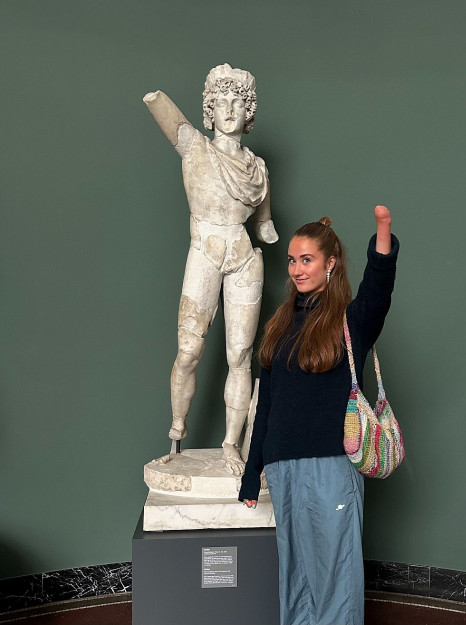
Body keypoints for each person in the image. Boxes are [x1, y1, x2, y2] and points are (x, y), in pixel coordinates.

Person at [239, 205, 399, 625]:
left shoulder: (351, 320)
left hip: (331, 466)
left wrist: (383, 232)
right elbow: (266, 405)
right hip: (283, 467)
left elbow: (378, 287)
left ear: (330, 264)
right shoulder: (279, 325)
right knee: (296, 576)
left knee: (334, 576)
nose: (296, 269)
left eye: (306, 260)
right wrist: (252, 471)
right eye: (292, 260)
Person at [143, 64, 278, 475]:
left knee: (240, 355)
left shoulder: (258, 169)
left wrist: (268, 230)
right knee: (188, 351)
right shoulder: (195, 149)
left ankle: (230, 445)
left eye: (238, 101)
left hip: (243, 257)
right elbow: (164, 112)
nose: (230, 109)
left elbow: (265, 225)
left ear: (249, 111)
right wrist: (155, 98)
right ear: (210, 110)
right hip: (205, 249)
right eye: (221, 102)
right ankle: (176, 434)